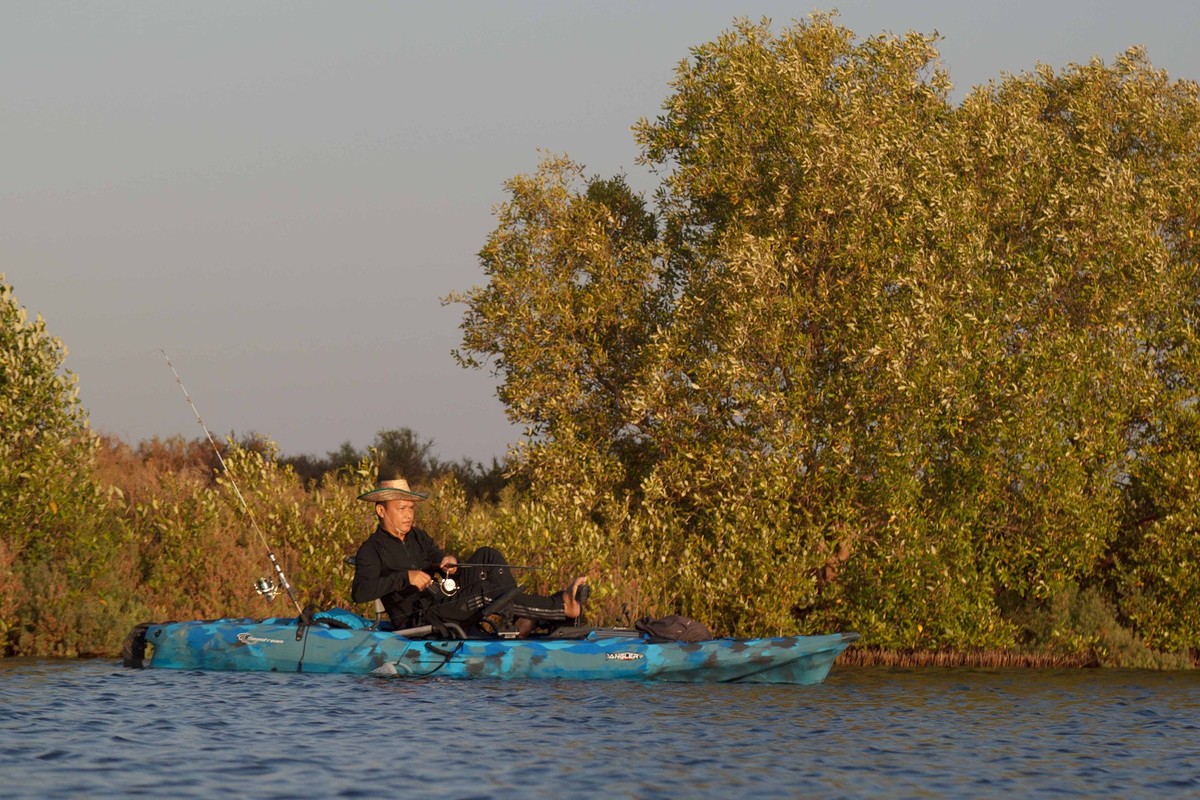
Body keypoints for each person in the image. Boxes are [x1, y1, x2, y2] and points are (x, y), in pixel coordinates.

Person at [350, 477, 587, 636]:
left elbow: (438, 557)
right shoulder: (370, 550)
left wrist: (448, 562)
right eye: (401, 509)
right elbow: (360, 592)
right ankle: (561, 607)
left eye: (411, 508)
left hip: (444, 598)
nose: (409, 515)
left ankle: (519, 618)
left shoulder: (418, 537)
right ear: (381, 511)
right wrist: (405, 577)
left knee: (488, 555)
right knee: (484, 590)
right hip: (422, 618)